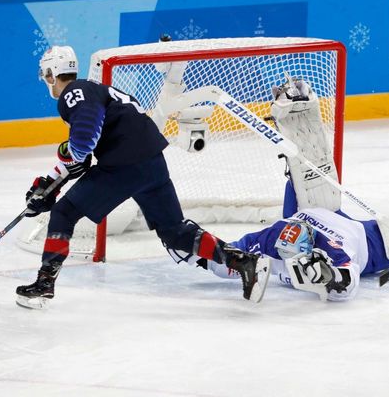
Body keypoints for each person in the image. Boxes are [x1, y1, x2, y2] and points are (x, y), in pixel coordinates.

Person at [16, 46, 269, 309]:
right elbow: (83, 156)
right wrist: (50, 183)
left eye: (46, 76)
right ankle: (243, 262)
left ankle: (44, 284)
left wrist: (57, 170)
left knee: (63, 214)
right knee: (175, 232)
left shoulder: (73, 93)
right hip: (152, 162)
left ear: (51, 74)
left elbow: (81, 145)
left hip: (123, 165)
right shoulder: (96, 90)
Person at [174, 179, 389, 301]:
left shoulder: (333, 246)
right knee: (295, 179)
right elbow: (230, 257)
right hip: (324, 216)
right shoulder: (271, 237)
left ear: (312, 245)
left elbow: (347, 286)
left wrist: (330, 277)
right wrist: (194, 250)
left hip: (377, 242)